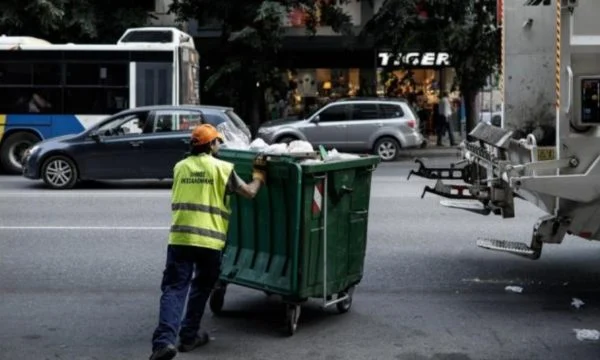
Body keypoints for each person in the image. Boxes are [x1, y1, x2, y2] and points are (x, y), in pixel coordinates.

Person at [150, 124, 267, 360]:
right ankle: (189, 336)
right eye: (218, 142)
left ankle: (164, 343)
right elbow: (250, 193)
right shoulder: (222, 169)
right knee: (201, 286)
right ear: (212, 145)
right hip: (210, 242)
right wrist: (259, 176)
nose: (220, 145)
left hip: (181, 238)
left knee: (174, 289)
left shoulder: (180, 167)